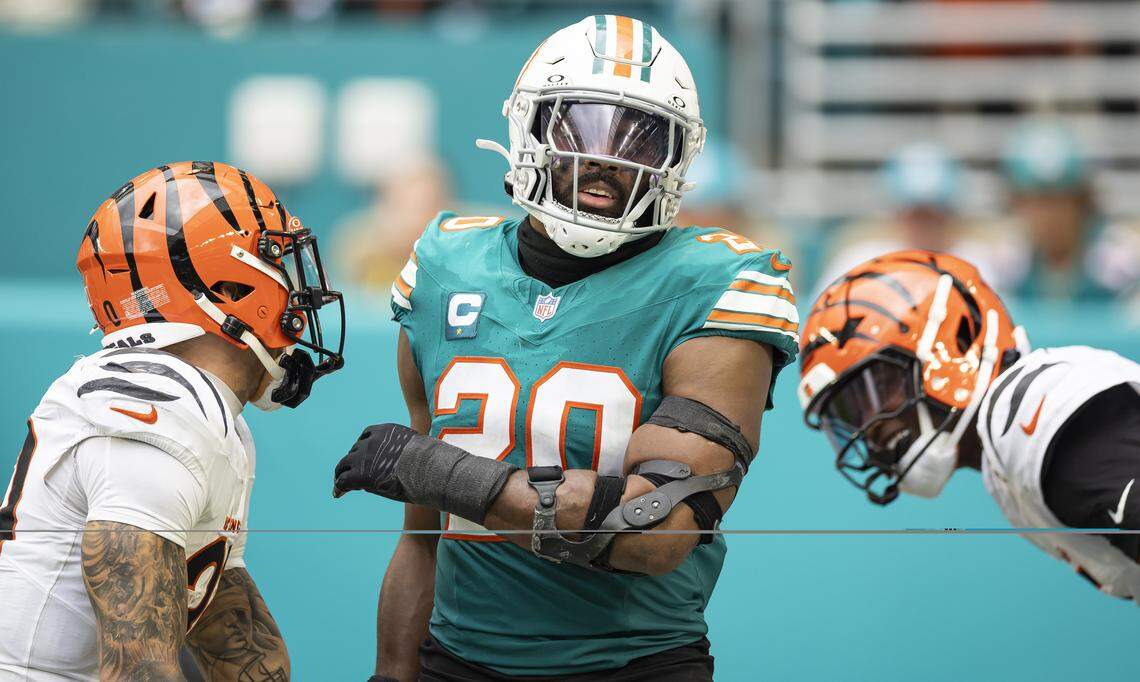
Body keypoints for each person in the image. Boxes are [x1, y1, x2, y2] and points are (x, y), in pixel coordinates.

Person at [332, 15, 800, 682]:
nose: (605, 157)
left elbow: (652, 531)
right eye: (578, 125)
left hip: (633, 666)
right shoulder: (445, 263)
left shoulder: (719, 282)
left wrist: (443, 473)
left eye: (641, 137)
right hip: (456, 661)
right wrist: (392, 673)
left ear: (679, 157)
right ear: (529, 127)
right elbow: (422, 538)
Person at [0, 161, 345, 679]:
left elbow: (239, 647)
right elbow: (139, 668)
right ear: (228, 287)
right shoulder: (156, 410)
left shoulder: (206, 412)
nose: (299, 291)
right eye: (276, 260)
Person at [797, 250, 1140, 603]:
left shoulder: (1030, 411)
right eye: (848, 413)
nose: (870, 430)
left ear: (959, 341)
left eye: (875, 390)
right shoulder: (1002, 462)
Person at [816, 142, 1019, 294]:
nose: (924, 226)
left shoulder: (976, 264)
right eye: (915, 215)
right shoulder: (860, 261)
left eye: (933, 215)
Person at [1000, 121, 1140, 301]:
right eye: (1036, 202)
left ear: (1082, 202)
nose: (1048, 216)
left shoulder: (1120, 265)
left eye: (1059, 200)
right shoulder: (1008, 268)